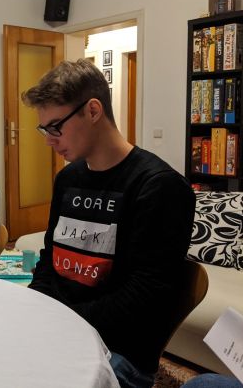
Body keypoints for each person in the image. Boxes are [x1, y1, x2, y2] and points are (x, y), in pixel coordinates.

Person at [22, 59, 195, 388]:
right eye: (44, 129)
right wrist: (35, 310)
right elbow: (50, 259)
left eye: (55, 127)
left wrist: (59, 322)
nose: (49, 140)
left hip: (120, 351)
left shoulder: (159, 186)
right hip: (64, 329)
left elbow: (144, 298)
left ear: (92, 110)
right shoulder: (68, 179)